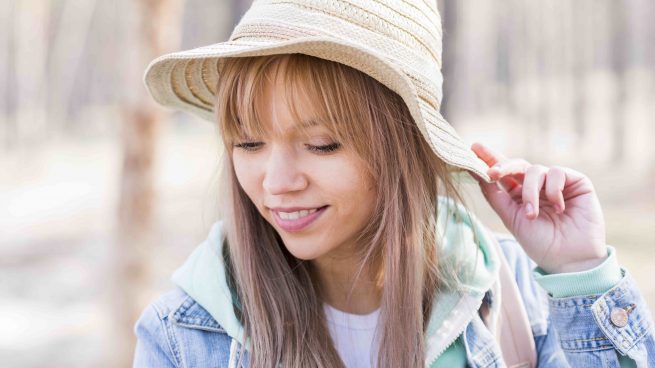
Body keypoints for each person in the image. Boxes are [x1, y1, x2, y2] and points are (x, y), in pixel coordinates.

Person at [133, 1, 655, 367]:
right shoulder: (182, 337)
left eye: (321, 145)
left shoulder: (513, 293)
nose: (277, 182)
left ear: (403, 147)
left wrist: (581, 274)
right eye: (248, 144)